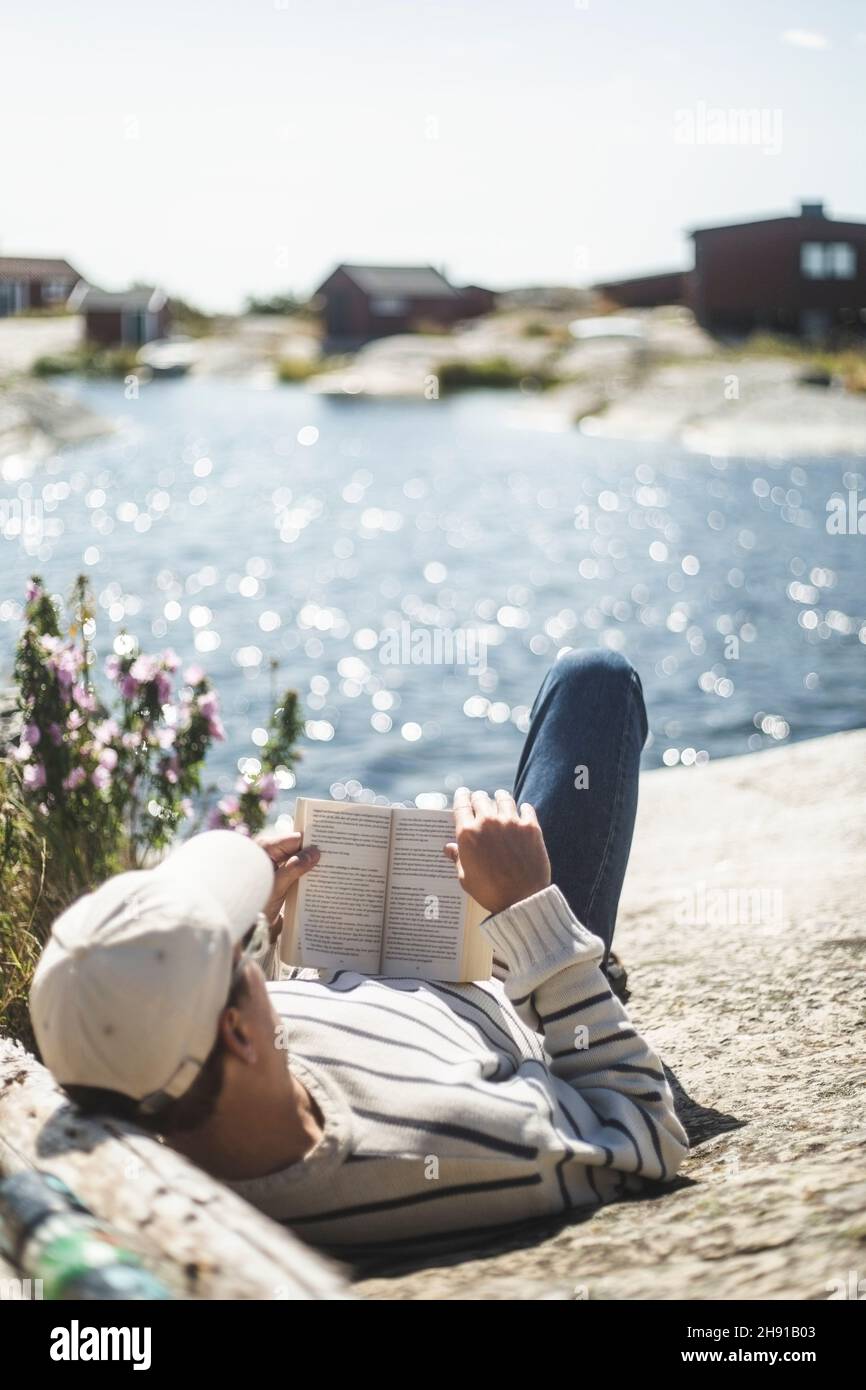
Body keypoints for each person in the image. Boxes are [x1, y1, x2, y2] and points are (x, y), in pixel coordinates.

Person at [31, 649, 687, 1259]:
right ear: (236, 1030)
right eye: (232, 946)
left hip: (383, 978)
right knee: (595, 681)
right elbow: (641, 1129)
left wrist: (257, 934)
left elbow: (205, 1049)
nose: (245, 944)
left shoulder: (161, 1082)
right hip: (517, 973)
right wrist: (531, 913)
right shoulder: (466, 1147)